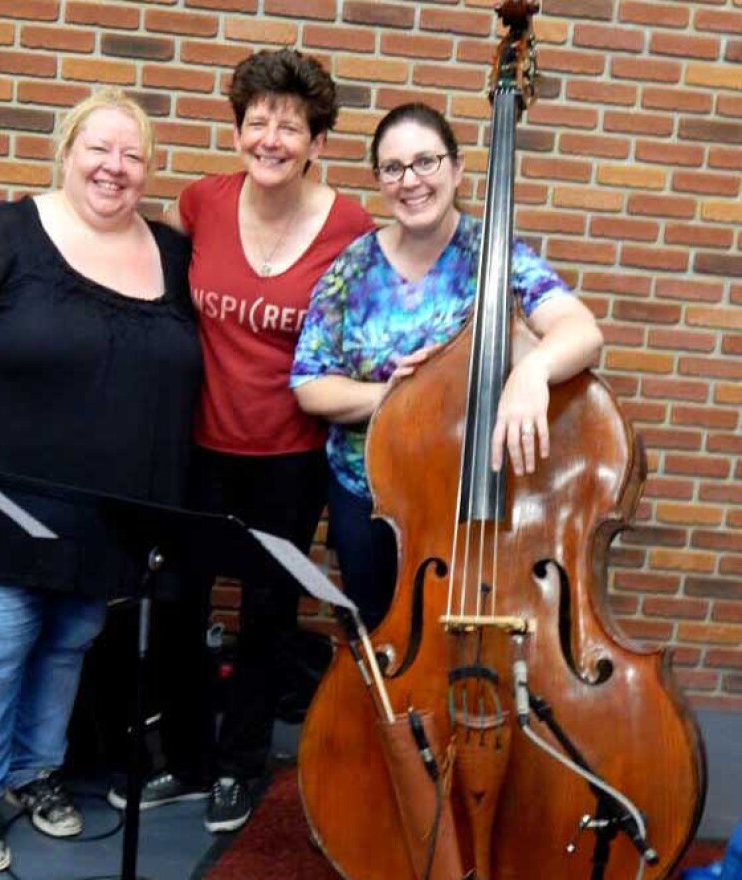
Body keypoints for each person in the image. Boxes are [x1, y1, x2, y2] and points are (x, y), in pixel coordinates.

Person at [0, 88, 202, 874]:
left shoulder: (172, 254)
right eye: (99, 148)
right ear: (65, 152)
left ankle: (33, 772)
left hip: (104, 520)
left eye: (132, 155)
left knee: (64, 649)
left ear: (149, 169)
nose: (114, 167)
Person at [106, 48, 373, 833]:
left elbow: (363, 334)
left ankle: (240, 765)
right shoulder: (203, 203)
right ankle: (188, 762)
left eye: (290, 128)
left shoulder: (351, 227)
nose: (270, 140)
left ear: (318, 142)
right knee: (180, 605)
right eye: (257, 122)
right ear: (237, 131)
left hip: (290, 457)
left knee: (267, 613)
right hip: (197, 448)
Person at [290, 102, 604, 631]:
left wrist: (532, 371)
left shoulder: (497, 255)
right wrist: (395, 397)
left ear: (457, 168)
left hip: (470, 502)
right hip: (369, 497)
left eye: (425, 162)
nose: (410, 181)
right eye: (393, 168)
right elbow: (310, 383)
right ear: (379, 180)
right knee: (377, 634)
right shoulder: (353, 267)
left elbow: (582, 332)